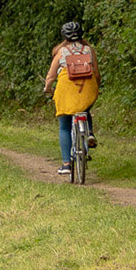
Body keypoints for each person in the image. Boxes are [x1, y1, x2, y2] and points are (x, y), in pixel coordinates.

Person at [43, 21, 98, 175]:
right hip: (87, 85)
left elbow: (52, 75)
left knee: (64, 125)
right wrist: (96, 87)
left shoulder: (61, 52)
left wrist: (47, 88)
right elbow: (97, 73)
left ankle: (66, 164)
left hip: (67, 87)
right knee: (84, 107)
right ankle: (90, 133)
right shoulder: (89, 50)